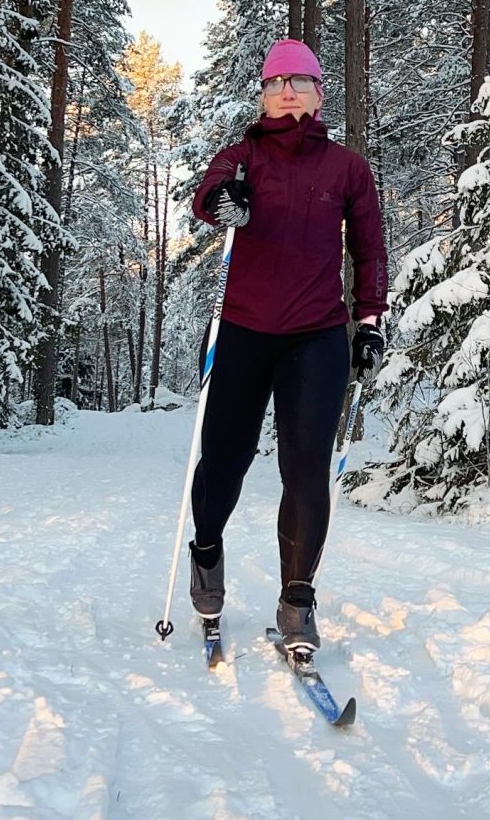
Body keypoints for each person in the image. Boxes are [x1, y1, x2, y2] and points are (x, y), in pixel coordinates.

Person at [188, 38, 388, 652]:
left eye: (300, 82)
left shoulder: (347, 168)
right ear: (264, 96)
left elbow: (369, 249)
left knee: (305, 471)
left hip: (316, 335)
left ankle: (298, 601)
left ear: (318, 94)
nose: (287, 92)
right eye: (276, 83)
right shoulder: (240, 159)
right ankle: (206, 551)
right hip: (242, 329)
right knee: (225, 459)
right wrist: (225, 201)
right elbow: (207, 197)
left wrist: (370, 320)